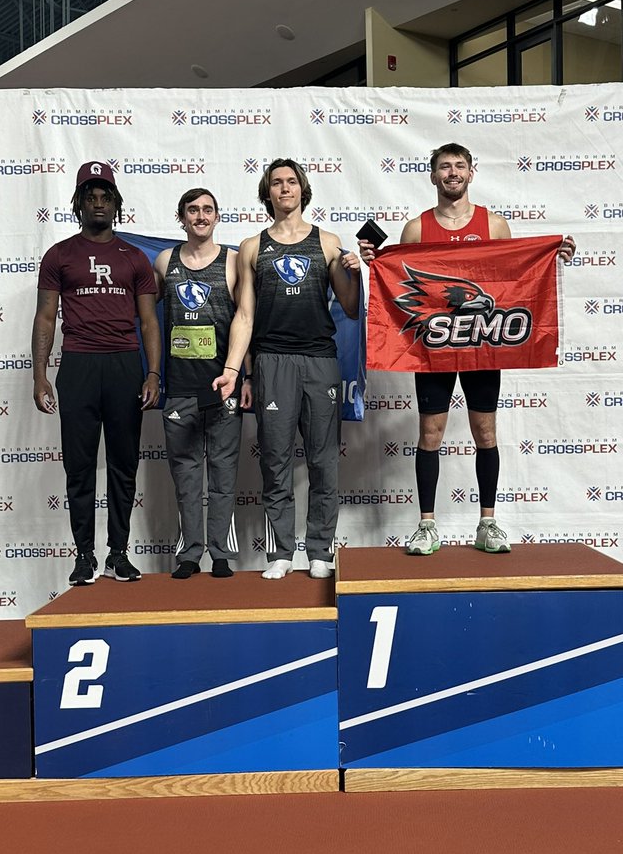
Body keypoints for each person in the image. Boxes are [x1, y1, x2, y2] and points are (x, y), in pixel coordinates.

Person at [359, 142, 574, 557]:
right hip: (433, 348)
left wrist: (551, 255)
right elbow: (401, 282)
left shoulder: (494, 224)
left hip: (481, 346)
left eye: (459, 166)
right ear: (433, 175)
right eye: (444, 167)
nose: (452, 173)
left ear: (471, 173)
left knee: (485, 432)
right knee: (430, 434)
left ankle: (488, 523)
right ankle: (427, 527)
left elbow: (514, 279)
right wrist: (375, 261)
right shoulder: (417, 229)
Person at [212, 158, 361, 580]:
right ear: (267, 193)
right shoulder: (252, 247)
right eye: (276, 183)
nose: (284, 189)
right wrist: (233, 368)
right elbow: (244, 316)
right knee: (274, 462)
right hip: (272, 363)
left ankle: (320, 550)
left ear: (302, 189)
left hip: (319, 361)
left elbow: (349, 307)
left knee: (323, 461)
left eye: (291, 182)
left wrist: (355, 275)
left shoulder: (328, 243)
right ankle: (280, 552)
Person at [32, 160, 161, 586]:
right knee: (80, 467)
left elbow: (148, 323)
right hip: (79, 366)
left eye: (106, 197)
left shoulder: (134, 258)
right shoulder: (60, 255)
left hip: (124, 364)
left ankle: (118, 554)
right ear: (79, 204)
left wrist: (153, 373)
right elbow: (46, 318)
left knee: (124, 466)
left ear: (117, 203)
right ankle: (84, 556)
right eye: (91, 197)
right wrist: (39, 375)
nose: (99, 203)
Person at [154, 188, 243, 579]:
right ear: (182, 217)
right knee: (186, 475)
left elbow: (247, 321)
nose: (201, 216)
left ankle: (220, 553)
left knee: (223, 473)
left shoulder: (235, 261)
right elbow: (147, 319)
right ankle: (190, 553)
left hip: (221, 385)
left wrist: (247, 376)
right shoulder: (164, 261)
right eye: (193, 210)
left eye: (208, 209)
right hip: (179, 387)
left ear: (217, 216)